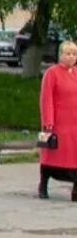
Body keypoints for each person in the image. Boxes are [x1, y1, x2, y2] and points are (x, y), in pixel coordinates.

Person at [37, 40, 77, 200]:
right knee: (51, 155)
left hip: (75, 124)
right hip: (58, 123)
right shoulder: (52, 73)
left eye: (74, 54)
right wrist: (48, 121)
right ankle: (43, 185)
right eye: (68, 54)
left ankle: (75, 190)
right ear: (60, 55)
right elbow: (46, 99)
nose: (71, 57)